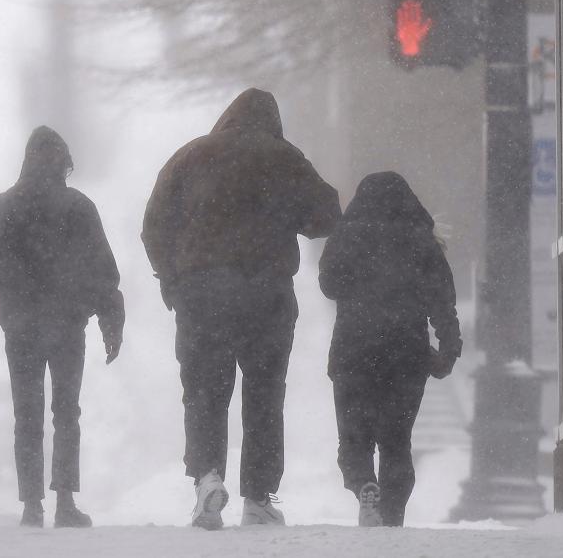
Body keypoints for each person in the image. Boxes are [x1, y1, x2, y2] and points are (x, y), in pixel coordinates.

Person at [142, 88, 341, 530]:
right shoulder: (284, 157)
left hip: (202, 293)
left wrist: (172, 279)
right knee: (264, 395)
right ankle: (258, 498)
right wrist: (285, 212)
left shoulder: (190, 156)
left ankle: (207, 479)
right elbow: (327, 214)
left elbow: (154, 223)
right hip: (265, 292)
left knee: (204, 390)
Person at [0, 126, 125, 529]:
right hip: (66, 325)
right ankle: (64, 501)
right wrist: (110, 320)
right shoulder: (78, 207)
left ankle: (31, 506)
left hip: (22, 327)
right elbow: (102, 271)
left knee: (25, 413)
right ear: (63, 162)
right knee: (66, 411)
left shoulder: (0, 209)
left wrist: (8, 312)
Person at [318, 171, 462, 527]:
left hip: (353, 351)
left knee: (354, 436)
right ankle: (392, 514)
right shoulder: (422, 241)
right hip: (406, 354)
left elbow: (329, 285)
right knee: (397, 441)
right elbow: (443, 301)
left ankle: (364, 483)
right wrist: (449, 348)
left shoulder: (347, 236)